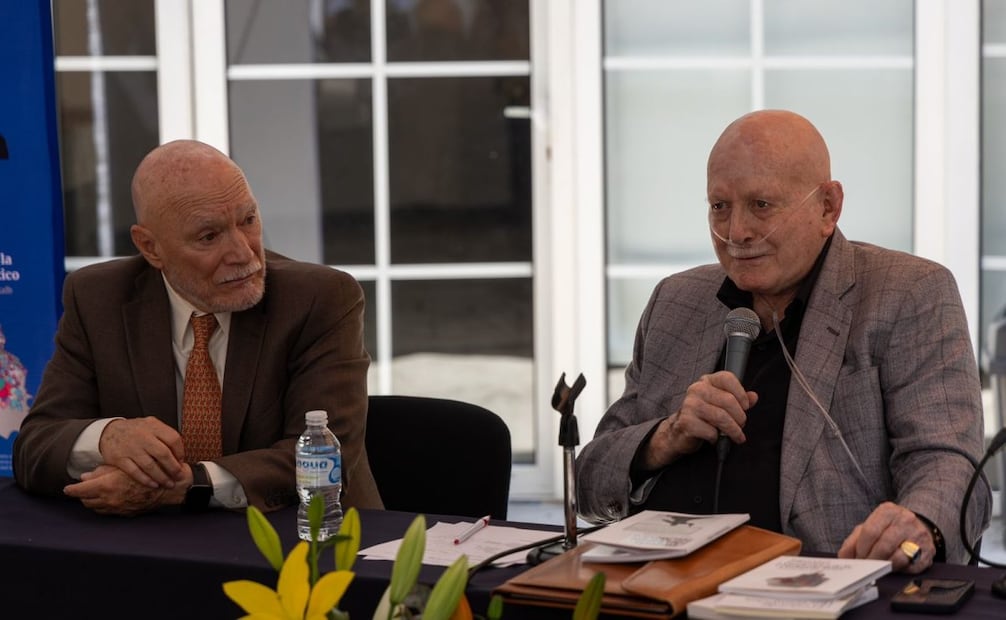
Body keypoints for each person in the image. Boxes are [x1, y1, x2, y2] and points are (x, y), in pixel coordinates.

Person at [575, 109, 991, 573]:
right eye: (720, 206)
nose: (737, 233)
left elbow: (950, 466)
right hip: (660, 587)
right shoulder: (676, 301)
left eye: (762, 205)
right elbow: (589, 482)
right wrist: (666, 437)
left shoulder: (908, 293)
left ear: (828, 207)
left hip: (816, 588)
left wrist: (920, 525)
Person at [13, 140, 383, 516]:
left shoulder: (320, 299)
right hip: (149, 547)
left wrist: (188, 485)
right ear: (150, 247)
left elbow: (321, 458)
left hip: (304, 538)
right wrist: (107, 437)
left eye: (248, 220)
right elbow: (34, 446)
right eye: (209, 236)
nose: (243, 253)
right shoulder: (98, 298)